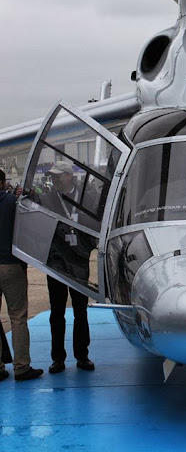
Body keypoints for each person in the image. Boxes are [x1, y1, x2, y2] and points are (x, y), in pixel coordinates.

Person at [41, 161, 95, 374]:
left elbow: (94, 226)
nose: (55, 179)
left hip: (79, 262)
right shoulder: (47, 199)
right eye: (53, 176)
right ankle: (58, 359)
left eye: (59, 176)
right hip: (56, 263)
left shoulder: (86, 199)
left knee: (80, 311)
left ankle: (82, 356)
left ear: (69, 176)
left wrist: (86, 247)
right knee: (57, 312)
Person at [0, 169, 43, 381]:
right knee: (17, 317)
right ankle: (22, 366)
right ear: (2, 182)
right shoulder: (12, 203)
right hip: (10, 265)